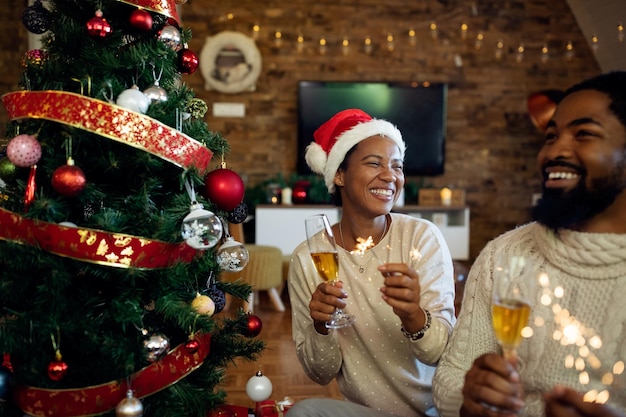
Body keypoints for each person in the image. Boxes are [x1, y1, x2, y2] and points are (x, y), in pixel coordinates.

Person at [432, 71, 626, 417]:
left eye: (584, 134)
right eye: (551, 136)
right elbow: (449, 383)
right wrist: (468, 399)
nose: (555, 151)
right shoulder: (504, 255)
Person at [287, 109, 456, 417]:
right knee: (304, 412)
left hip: (435, 411)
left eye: (397, 166)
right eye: (374, 163)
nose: (390, 176)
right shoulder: (308, 257)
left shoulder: (421, 238)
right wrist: (321, 326)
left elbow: (441, 353)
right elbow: (320, 373)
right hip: (366, 413)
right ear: (339, 174)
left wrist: (412, 315)